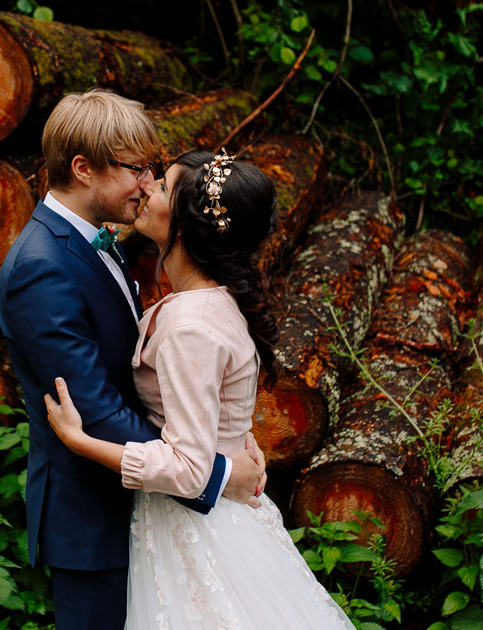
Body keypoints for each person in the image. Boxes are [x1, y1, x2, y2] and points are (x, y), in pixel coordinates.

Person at [43, 149, 356, 629]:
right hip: (207, 517)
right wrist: (233, 449)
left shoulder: (192, 325)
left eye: (163, 187)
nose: (147, 187)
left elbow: (190, 470)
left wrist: (83, 442)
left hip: (198, 531)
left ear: (187, 228)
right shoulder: (205, 302)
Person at [0, 90, 266, 630]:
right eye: (136, 169)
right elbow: (94, 409)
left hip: (147, 509)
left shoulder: (97, 239)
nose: (147, 183)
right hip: (95, 522)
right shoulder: (39, 268)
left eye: (152, 171)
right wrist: (215, 474)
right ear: (83, 169)